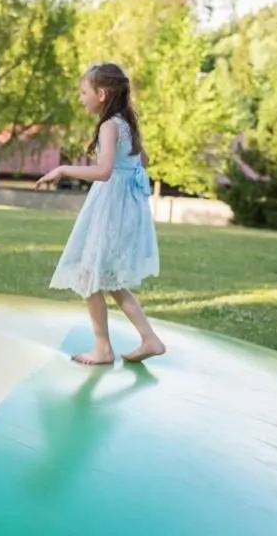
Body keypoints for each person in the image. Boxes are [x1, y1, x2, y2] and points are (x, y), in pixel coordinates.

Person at [35, 62, 166, 365]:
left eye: (84, 92)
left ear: (102, 93)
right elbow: (142, 160)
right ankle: (149, 339)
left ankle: (104, 348)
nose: (81, 98)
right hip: (126, 207)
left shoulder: (110, 126)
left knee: (89, 273)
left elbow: (105, 170)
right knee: (106, 279)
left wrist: (64, 168)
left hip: (111, 209)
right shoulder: (127, 123)